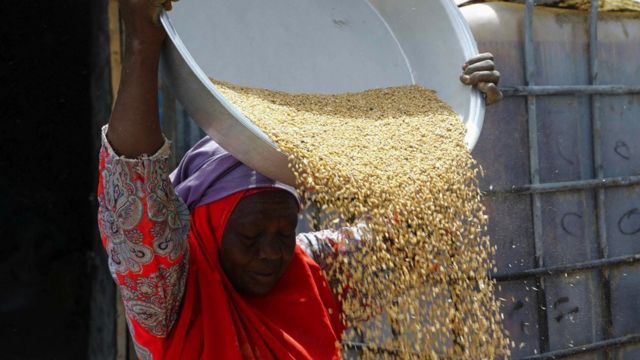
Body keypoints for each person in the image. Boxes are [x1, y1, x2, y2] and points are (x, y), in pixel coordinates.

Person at [97, 1, 503, 359]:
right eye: (251, 235)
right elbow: (134, 180)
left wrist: (454, 110)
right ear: (209, 225)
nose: (271, 254)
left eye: (284, 233)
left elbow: (423, 234)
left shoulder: (312, 267)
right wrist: (141, 44)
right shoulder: (172, 290)